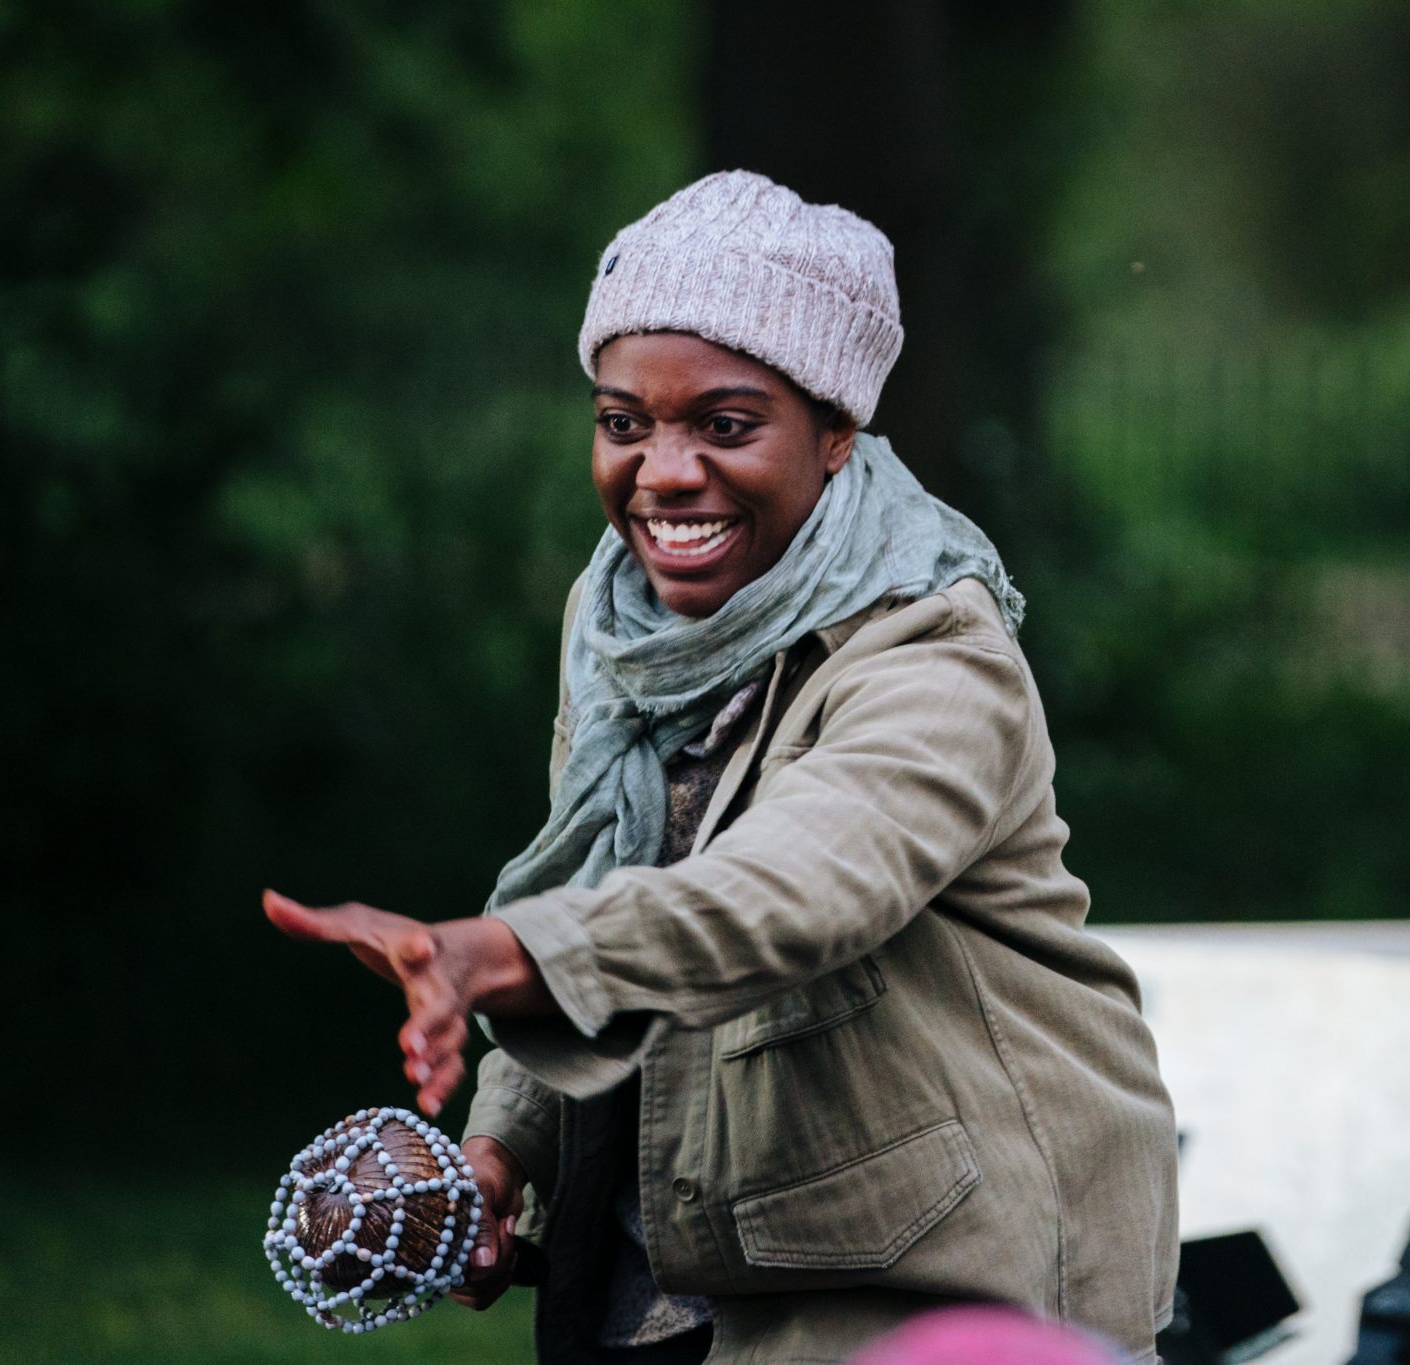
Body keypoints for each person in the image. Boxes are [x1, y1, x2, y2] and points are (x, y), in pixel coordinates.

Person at [263, 169, 1180, 1364]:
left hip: (941, 1278)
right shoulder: (623, 632)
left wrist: (501, 951)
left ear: (836, 434)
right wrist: (506, 1150)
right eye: (623, 421)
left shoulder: (933, 647)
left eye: (725, 424)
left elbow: (792, 892)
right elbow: (603, 884)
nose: (662, 473)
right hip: (670, 1266)